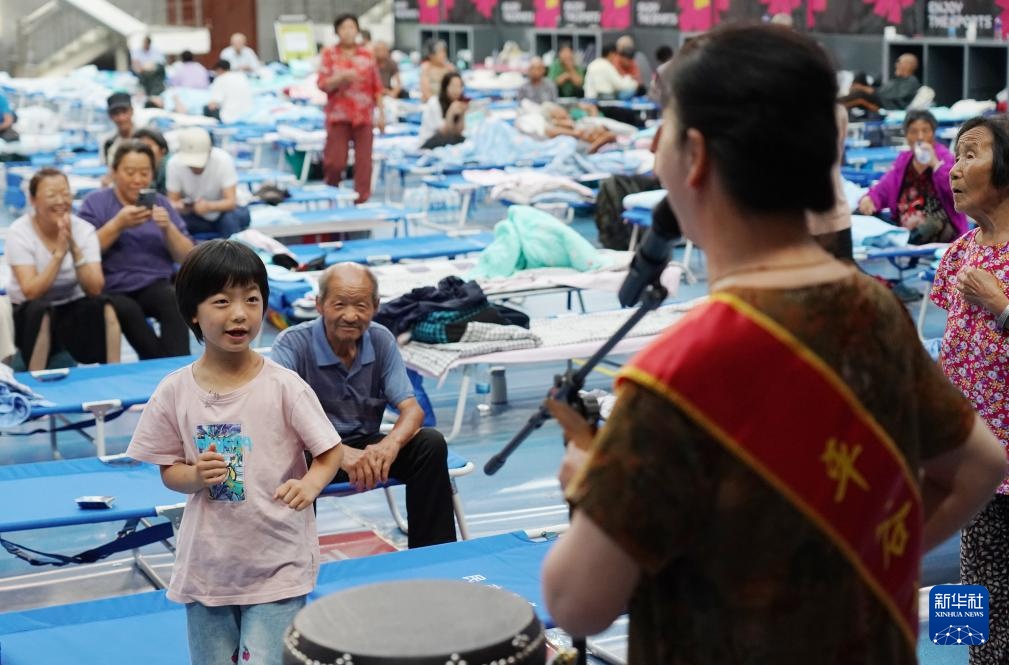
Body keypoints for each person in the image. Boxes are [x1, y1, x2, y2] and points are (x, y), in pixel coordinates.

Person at [541, 25, 1006, 665]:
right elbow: (979, 467)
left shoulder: (677, 374)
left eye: (664, 127)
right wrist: (849, 559)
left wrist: (588, 479)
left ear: (696, 157)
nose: (652, 145)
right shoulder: (877, 312)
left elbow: (575, 603)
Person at [126, 239, 343, 665]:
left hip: (278, 560)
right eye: (222, 301)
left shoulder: (285, 386)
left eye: (251, 299)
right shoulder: (175, 389)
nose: (239, 313)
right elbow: (169, 470)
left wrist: (311, 483)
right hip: (209, 566)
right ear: (193, 312)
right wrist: (194, 476)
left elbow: (330, 451)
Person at [272, 263, 456, 549]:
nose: (350, 315)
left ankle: (434, 555)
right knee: (287, 460)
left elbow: (412, 409)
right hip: (312, 451)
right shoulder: (292, 344)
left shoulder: (381, 338)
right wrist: (336, 454)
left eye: (360, 305)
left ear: (375, 306)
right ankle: (296, 562)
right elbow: (281, 419)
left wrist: (389, 446)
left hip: (366, 451)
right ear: (319, 305)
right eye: (339, 304)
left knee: (429, 444)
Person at [931, 113, 1009, 665]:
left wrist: (1002, 308)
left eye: (971, 154)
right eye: (956, 156)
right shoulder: (958, 254)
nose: (954, 169)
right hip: (975, 464)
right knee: (974, 623)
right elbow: (951, 356)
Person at [78, 140, 193, 359]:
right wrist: (117, 225)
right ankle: (167, 370)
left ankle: (177, 366)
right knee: (127, 311)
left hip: (154, 284)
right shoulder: (95, 202)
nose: (137, 180)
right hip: (112, 288)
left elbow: (187, 256)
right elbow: (82, 250)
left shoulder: (161, 203)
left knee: (173, 299)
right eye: (130, 172)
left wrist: (168, 228)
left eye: (144, 172)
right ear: (114, 172)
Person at [8, 169, 120, 370]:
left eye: (66, 194)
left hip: (69, 307)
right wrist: (59, 254)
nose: (61, 201)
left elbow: (95, 288)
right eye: (51, 195)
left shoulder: (84, 230)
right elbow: (31, 291)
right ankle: (35, 383)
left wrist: (74, 248)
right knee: (40, 310)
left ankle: (114, 374)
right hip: (28, 312)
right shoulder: (19, 232)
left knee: (106, 305)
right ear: (33, 200)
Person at [858, 109, 967, 244]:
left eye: (925, 131)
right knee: (863, 214)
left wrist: (935, 165)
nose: (920, 137)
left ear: (933, 134)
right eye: (914, 132)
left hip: (939, 225)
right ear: (907, 136)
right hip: (905, 224)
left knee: (931, 226)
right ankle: (901, 238)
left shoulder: (946, 159)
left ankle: (901, 240)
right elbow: (884, 188)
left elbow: (957, 191)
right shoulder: (903, 161)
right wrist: (870, 199)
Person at [317, 14, 385, 205]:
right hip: (338, 115)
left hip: (364, 115)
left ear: (357, 30)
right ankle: (331, 195)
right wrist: (340, 78)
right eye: (344, 28)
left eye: (352, 27)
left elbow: (377, 87)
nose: (348, 31)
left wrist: (381, 114)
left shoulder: (367, 55)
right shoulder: (330, 54)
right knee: (335, 161)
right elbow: (322, 84)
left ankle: (361, 201)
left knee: (364, 162)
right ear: (337, 31)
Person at [167, 127, 250, 239]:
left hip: (224, 212)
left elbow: (230, 202)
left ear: (210, 151)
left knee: (230, 220)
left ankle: (230, 254)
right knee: (175, 223)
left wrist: (209, 206)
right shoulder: (174, 164)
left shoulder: (223, 160)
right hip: (196, 214)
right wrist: (183, 207)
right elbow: (173, 201)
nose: (194, 167)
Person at [840, 53, 921, 113]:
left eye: (899, 62)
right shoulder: (898, 79)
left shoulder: (911, 81)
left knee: (860, 94)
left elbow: (891, 96)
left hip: (885, 103)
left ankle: (836, 103)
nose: (896, 65)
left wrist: (865, 89)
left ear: (908, 65)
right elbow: (883, 90)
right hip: (879, 95)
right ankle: (847, 97)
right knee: (860, 75)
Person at [418, 72, 468, 150]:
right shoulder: (434, 103)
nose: (457, 90)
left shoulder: (457, 103)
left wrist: (462, 114)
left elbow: (458, 132)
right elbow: (443, 132)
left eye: (459, 86)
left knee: (462, 140)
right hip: (430, 139)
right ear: (445, 87)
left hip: (446, 138)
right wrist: (451, 112)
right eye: (453, 86)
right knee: (455, 141)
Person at [204, 59, 254, 124]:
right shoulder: (241, 76)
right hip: (247, 116)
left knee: (206, 108)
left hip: (229, 118)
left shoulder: (220, 79)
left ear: (219, 70)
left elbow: (213, 105)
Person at [101, 92, 135, 166]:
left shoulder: (145, 137)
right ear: (110, 116)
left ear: (132, 111)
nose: (121, 118)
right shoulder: (108, 142)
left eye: (124, 112)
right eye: (116, 113)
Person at [133, 127, 170, 194]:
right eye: (140, 147)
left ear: (163, 150)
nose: (144, 151)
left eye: (148, 146)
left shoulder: (169, 168)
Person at [131, 35, 167, 102]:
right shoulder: (137, 51)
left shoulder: (156, 51)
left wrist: (146, 66)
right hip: (142, 74)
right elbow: (135, 64)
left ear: (149, 43)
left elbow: (158, 65)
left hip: (154, 75)